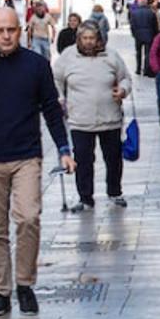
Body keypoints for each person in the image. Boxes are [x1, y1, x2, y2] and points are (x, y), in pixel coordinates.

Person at [0, 8, 75, 318]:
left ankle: (25, 284)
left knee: (29, 217)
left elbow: (50, 107)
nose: (6, 36)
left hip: (26, 157)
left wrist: (64, 148)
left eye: (11, 30)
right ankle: (1, 292)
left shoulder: (35, 65)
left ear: (22, 31)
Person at [53, 21, 132, 212]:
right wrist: (60, 98)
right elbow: (55, 79)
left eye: (92, 38)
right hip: (80, 119)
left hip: (110, 118)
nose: (88, 42)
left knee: (113, 158)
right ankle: (85, 197)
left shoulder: (110, 55)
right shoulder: (68, 57)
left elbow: (125, 77)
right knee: (83, 159)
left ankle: (114, 192)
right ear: (79, 39)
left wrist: (123, 90)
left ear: (99, 39)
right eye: (85, 38)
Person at [129, 0, 158, 76]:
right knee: (147, 53)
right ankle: (146, 70)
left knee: (138, 53)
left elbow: (132, 25)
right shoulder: (151, 13)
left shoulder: (134, 13)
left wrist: (134, 34)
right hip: (149, 35)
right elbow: (155, 25)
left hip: (138, 35)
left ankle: (138, 69)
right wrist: (155, 34)